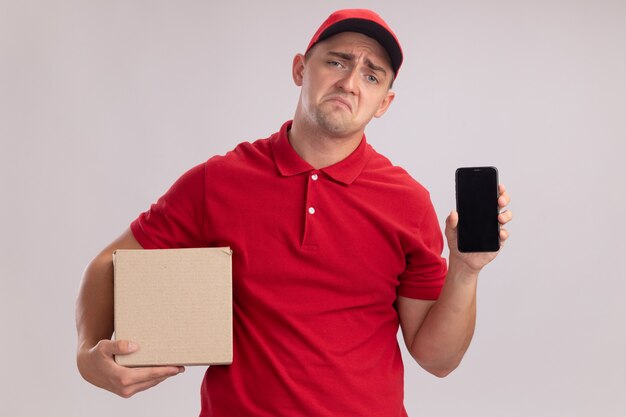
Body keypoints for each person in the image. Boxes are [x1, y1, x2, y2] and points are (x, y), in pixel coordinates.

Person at [76, 8, 512, 417]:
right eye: (337, 62)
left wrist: (465, 271)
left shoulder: (407, 201)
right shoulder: (218, 181)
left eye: (371, 74)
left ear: (384, 102)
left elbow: (437, 359)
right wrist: (87, 355)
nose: (350, 82)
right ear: (301, 69)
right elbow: (106, 267)